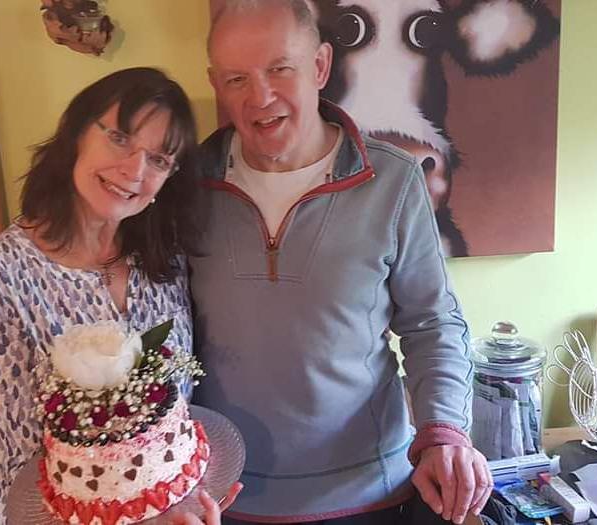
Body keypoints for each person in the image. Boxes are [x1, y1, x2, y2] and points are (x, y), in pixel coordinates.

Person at [188, 0, 492, 523]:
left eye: (280, 68)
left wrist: (444, 431)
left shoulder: (394, 180)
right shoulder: (181, 186)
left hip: (373, 493)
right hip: (222, 496)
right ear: (216, 84)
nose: (260, 96)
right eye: (237, 78)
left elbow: (432, 322)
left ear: (321, 66)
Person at [0, 67, 236, 524]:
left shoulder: (165, 261)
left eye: (159, 160)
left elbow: (171, 419)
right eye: (120, 139)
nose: (134, 171)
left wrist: (187, 495)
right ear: (76, 132)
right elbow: (23, 459)